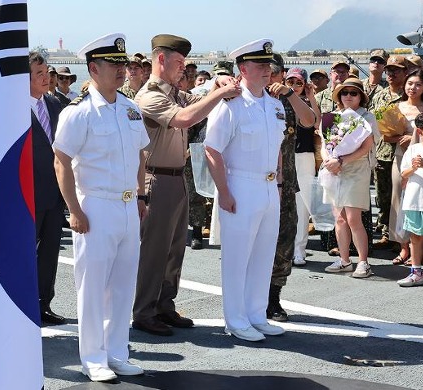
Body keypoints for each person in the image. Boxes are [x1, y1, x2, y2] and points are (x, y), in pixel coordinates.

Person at [53, 33, 149, 382]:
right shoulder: (78, 112)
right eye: (114, 64)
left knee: (123, 285)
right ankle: (93, 357)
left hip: (126, 206)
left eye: (123, 64)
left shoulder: (129, 107)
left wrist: (140, 195)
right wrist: (74, 210)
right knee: (92, 287)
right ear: (93, 68)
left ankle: (116, 352)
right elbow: (61, 161)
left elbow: (141, 153)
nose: (122, 70)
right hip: (95, 205)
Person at [132, 34, 241, 337]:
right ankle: (144, 311)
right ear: (161, 60)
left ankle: (165, 305)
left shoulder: (174, 92)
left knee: (174, 249)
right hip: (157, 178)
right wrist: (218, 94)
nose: (183, 68)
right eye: (179, 62)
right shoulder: (150, 95)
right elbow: (183, 119)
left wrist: (219, 87)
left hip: (177, 177)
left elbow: (198, 101)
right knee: (154, 250)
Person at [205, 38, 286, 342]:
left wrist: (277, 183)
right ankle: (236, 320)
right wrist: (224, 192)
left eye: (269, 65)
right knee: (238, 258)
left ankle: (256, 314)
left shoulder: (275, 105)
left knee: (263, 256)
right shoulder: (230, 105)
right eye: (260, 65)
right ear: (242, 69)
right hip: (240, 183)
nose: (267, 70)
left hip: (267, 187)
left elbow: (277, 149)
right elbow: (212, 150)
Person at [266, 67, 317, 323]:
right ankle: (250, 297)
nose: (270, 76)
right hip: (257, 184)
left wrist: (291, 94)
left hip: (286, 184)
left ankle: (273, 297)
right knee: (255, 243)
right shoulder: (246, 98)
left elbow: (310, 121)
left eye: (274, 71)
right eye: (265, 69)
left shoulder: (289, 101)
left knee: (285, 239)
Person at [321, 77, 377, 278]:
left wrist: (342, 160)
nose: (348, 96)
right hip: (335, 171)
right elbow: (324, 142)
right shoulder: (332, 116)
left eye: (353, 93)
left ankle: (363, 262)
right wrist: (328, 160)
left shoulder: (367, 117)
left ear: (361, 96)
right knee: (340, 219)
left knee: (354, 218)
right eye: (345, 92)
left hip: (356, 170)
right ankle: (344, 260)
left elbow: (367, 146)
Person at [27, 51, 67, 325]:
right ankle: (24, 304)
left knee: (50, 251)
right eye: (39, 74)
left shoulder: (54, 105)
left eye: (47, 73)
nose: (46, 78)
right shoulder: (12, 109)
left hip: (55, 194)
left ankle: (44, 303)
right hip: (27, 193)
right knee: (25, 252)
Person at [386, 70, 423, 265]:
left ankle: (417, 250)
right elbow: (385, 136)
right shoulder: (396, 108)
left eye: (418, 84)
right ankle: (403, 247)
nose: (413, 88)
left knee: (420, 202)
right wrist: (400, 138)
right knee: (399, 199)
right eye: (410, 83)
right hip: (400, 157)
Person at [370, 55, 409, 249]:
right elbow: (372, 119)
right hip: (382, 152)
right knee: (383, 196)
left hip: (404, 151)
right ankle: (386, 232)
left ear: (405, 72)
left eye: (396, 70)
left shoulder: (410, 94)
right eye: (389, 70)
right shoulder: (379, 95)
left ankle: (402, 237)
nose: (391, 74)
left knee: (403, 197)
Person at [287, 68, 322, 268]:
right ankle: (284, 248)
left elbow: (316, 123)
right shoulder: (277, 102)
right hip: (283, 156)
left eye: (298, 83)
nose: (294, 86)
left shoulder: (308, 104)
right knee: (283, 203)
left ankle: (299, 250)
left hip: (304, 156)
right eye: (290, 81)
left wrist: (312, 98)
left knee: (302, 205)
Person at [398, 109, 423, 286]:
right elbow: (404, 173)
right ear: (420, 131)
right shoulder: (413, 149)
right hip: (414, 201)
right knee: (415, 238)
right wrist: (414, 168)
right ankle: (416, 272)